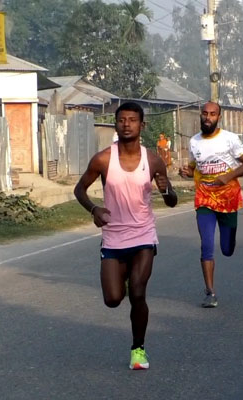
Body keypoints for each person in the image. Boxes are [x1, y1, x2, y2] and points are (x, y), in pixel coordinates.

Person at [73, 102, 178, 370]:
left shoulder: (152, 160)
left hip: (143, 235)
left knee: (139, 293)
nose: (126, 124)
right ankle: (128, 281)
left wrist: (166, 190)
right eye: (121, 120)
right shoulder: (103, 159)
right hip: (113, 238)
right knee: (113, 299)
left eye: (132, 120)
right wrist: (94, 208)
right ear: (116, 124)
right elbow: (79, 190)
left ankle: (138, 350)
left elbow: (172, 202)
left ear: (142, 125)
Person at [178, 102, 243, 308]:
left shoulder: (229, 138)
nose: (208, 117)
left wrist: (227, 177)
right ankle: (210, 292)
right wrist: (186, 172)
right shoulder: (195, 141)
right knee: (206, 245)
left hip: (228, 198)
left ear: (218, 117)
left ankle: (229, 241)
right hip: (204, 198)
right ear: (200, 116)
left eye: (212, 114)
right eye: (205, 114)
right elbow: (194, 166)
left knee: (227, 249)